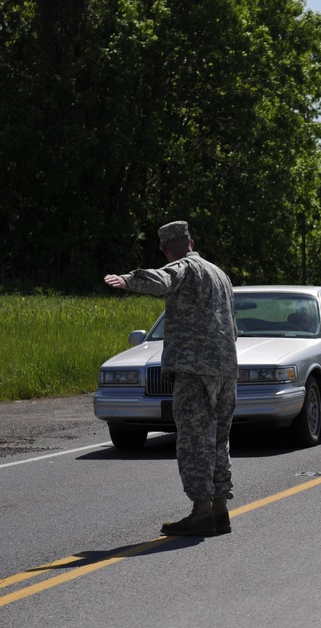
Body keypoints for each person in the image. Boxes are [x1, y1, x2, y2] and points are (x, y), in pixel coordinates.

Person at [103, 220, 238, 537]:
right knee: (218, 440)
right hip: (226, 368)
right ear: (191, 241)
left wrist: (128, 279)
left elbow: (163, 280)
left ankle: (202, 512)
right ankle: (220, 510)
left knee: (194, 441)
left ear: (167, 250)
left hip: (194, 369)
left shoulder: (184, 268)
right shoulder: (220, 274)